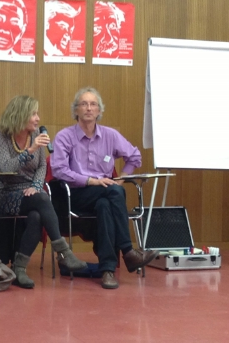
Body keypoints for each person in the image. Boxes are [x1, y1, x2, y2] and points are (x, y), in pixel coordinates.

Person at [50, 87, 158, 289]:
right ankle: (128, 252)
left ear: (99, 110)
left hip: (105, 193)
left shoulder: (110, 135)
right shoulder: (65, 136)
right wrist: (91, 181)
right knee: (114, 192)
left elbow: (135, 156)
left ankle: (108, 270)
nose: (88, 108)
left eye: (93, 104)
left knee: (104, 205)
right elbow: (59, 170)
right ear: (76, 110)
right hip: (75, 194)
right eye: (84, 104)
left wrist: (120, 179)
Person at [0, 96, 87, 288]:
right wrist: (30, 150)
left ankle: (19, 269)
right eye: (34, 114)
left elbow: (42, 166)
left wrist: (36, 186)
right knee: (42, 199)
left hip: (32, 192)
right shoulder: (2, 134)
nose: (38, 118)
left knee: (36, 216)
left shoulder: (35, 133)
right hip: (8, 193)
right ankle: (63, 253)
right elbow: (5, 168)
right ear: (21, 115)